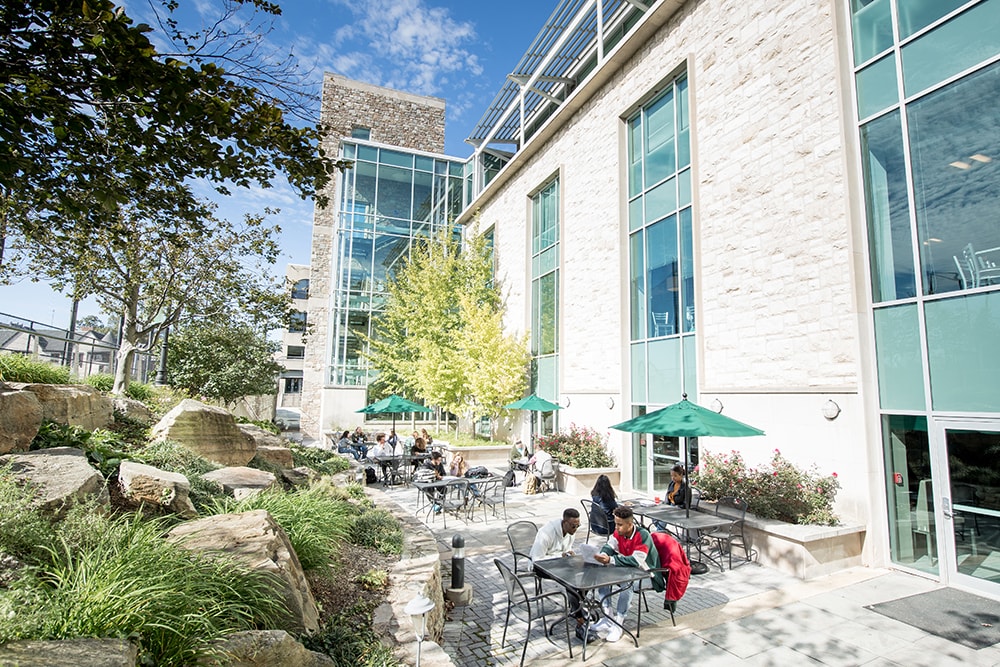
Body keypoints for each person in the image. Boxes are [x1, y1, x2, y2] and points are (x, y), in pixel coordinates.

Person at [593, 506, 661, 643]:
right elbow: (610, 545)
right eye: (615, 523)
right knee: (602, 576)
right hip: (627, 571)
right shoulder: (619, 532)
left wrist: (611, 560)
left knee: (627, 584)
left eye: (619, 524)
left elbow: (636, 560)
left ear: (630, 525)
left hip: (647, 575)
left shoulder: (642, 535)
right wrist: (604, 554)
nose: (616, 527)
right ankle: (608, 618)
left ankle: (618, 624)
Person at [529, 508, 594, 642]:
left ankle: (577, 607)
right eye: (573, 526)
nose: (575, 529)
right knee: (569, 582)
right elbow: (536, 559)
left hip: (561, 564)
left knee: (586, 572)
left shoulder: (570, 532)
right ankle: (580, 620)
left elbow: (567, 549)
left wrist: (570, 554)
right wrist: (560, 556)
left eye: (578, 526)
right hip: (541, 567)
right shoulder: (546, 533)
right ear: (564, 522)